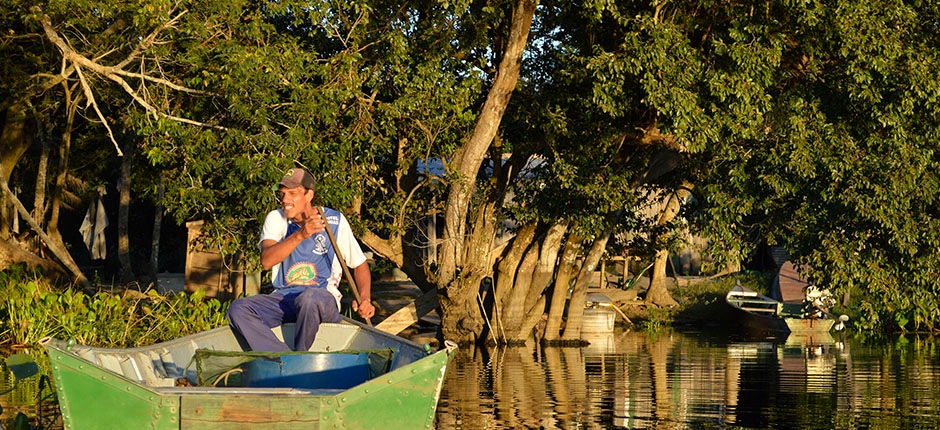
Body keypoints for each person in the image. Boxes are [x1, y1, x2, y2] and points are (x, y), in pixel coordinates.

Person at [227, 167, 375, 352]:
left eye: (292, 193)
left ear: (309, 195)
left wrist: (365, 298)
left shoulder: (334, 221)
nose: (285, 199)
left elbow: (359, 264)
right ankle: (283, 357)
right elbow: (266, 261)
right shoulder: (276, 218)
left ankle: (300, 354)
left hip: (322, 297)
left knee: (309, 298)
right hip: (284, 298)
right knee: (238, 308)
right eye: (282, 194)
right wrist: (301, 234)